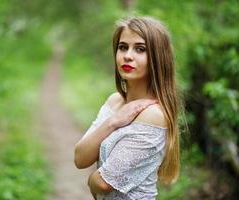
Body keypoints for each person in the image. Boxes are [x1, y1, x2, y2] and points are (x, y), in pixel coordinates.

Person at [74, 16, 181, 200]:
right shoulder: (114, 101)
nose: (128, 55)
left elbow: (103, 183)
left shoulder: (153, 115)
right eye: (123, 47)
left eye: (140, 49)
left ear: (158, 57)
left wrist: (91, 181)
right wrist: (114, 122)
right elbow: (80, 158)